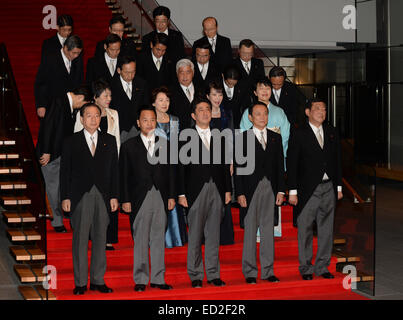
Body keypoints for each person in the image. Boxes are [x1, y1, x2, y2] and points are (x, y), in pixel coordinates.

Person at [60, 103, 119, 295]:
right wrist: (65, 197)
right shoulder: (70, 141)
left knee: (101, 239)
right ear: (82, 119)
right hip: (80, 195)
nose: (93, 119)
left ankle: (97, 280)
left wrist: (114, 196)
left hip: (103, 195)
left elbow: (114, 171)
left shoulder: (109, 140)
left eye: (96, 116)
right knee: (80, 240)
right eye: (89, 116)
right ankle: (80, 283)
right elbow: (65, 172)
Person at [119, 105, 176, 292]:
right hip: (139, 196)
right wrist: (125, 200)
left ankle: (158, 278)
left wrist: (171, 196)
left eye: (152, 120)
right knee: (141, 238)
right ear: (138, 122)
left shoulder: (164, 143)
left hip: (160, 195)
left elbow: (170, 173)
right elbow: (124, 175)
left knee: (159, 237)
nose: (149, 123)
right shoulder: (128, 146)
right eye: (145, 120)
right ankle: (141, 279)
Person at [178, 97, 232, 288]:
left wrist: (227, 190)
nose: (205, 112)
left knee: (213, 234)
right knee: (195, 235)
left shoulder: (219, 135)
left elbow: (225, 166)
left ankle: (213, 274)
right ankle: (195, 275)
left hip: (217, 189)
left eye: (208, 109)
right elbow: (180, 168)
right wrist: (181, 193)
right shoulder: (185, 136)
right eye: (200, 110)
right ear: (193, 115)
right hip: (195, 190)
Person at [287, 98, 343, 281]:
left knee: (326, 229)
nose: (322, 112)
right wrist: (292, 191)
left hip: (328, 187)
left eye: (324, 109)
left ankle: (322, 266)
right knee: (305, 229)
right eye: (317, 108)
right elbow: (292, 162)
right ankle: (305, 267)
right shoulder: (299, 133)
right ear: (307, 112)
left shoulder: (331, 132)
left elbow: (337, 161)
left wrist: (339, 187)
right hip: (307, 189)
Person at [234, 102, 286, 284]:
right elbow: (239, 168)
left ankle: (267, 271)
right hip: (249, 190)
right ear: (250, 117)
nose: (262, 117)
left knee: (267, 231)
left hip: (270, 189)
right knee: (249, 231)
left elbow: (280, 166)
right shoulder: (242, 138)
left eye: (265, 113)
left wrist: (281, 189)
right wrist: (239, 193)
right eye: (258, 114)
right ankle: (249, 272)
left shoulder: (275, 138)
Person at [36, 86, 92, 233]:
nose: (81, 108)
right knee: (53, 187)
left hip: (61, 153)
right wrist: (46, 151)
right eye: (83, 105)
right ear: (80, 98)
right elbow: (47, 127)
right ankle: (56, 221)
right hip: (51, 154)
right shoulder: (58, 101)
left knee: (60, 186)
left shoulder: (66, 104)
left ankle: (60, 215)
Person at [74, 79, 120, 250]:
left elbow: (117, 141)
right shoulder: (86, 113)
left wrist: (117, 161)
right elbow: (76, 139)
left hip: (108, 163)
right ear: (95, 98)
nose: (109, 98)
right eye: (105, 95)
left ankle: (107, 238)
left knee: (108, 201)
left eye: (110, 95)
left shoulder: (114, 113)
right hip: (89, 164)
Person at [152, 86, 187, 247]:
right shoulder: (149, 120)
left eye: (167, 100)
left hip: (173, 165)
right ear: (153, 103)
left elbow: (178, 145)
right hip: (155, 166)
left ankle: (175, 237)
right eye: (161, 100)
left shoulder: (175, 120)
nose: (164, 103)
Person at [206, 81, 234, 245]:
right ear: (208, 96)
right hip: (205, 159)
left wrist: (231, 161)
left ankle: (224, 236)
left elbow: (231, 137)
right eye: (214, 95)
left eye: (220, 94)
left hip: (224, 161)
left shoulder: (228, 113)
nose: (217, 98)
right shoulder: (202, 112)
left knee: (224, 194)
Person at [35, 35, 84, 119]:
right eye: (74, 53)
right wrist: (41, 105)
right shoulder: (50, 58)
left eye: (78, 53)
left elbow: (79, 80)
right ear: (65, 48)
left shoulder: (78, 59)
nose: (76, 56)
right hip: (52, 105)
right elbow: (40, 83)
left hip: (71, 106)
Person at [240, 77, 290, 157]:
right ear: (255, 92)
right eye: (261, 88)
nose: (264, 91)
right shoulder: (248, 112)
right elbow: (244, 134)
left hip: (275, 155)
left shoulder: (279, 112)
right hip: (254, 155)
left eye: (267, 88)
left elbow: (285, 136)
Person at [110, 55, 149, 143]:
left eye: (133, 72)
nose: (130, 75)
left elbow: (146, 106)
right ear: (119, 70)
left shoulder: (142, 83)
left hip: (138, 128)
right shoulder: (111, 86)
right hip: (119, 129)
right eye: (127, 72)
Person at [169, 59, 202, 130]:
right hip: (179, 133)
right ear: (177, 74)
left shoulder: (201, 89)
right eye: (181, 72)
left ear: (193, 73)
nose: (185, 76)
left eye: (188, 72)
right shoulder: (170, 92)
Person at [233, 39, 265, 105]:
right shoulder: (232, 64)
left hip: (255, 100)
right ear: (238, 51)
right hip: (238, 101)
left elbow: (262, 81)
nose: (247, 56)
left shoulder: (259, 63)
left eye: (250, 53)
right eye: (244, 53)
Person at [221, 65, 249, 130]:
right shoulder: (217, 84)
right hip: (221, 121)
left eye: (234, 84)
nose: (231, 86)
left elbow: (245, 104)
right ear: (222, 76)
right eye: (228, 83)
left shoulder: (243, 85)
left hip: (237, 121)